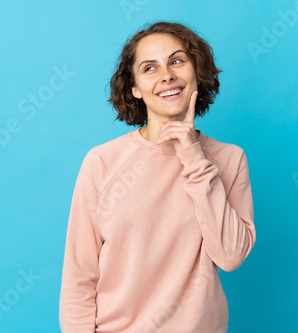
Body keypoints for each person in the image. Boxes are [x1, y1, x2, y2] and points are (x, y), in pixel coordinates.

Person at [59, 20, 256, 333]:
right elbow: (79, 276)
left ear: (197, 72)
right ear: (135, 87)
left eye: (177, 61)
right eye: (150, 68)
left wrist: (193, 157)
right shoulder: (102, 161)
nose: (167, 75)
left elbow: (230, 256)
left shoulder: (229, 160)